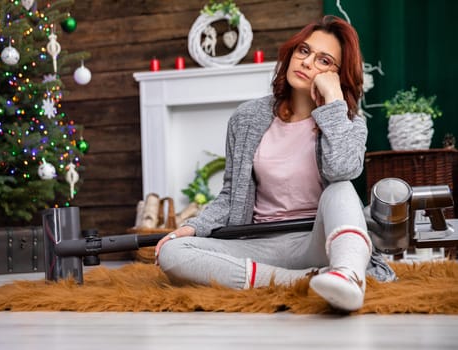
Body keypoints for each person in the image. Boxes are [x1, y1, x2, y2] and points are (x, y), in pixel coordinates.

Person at [155, 15, 396, 312]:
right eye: (304, 51)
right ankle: (303, 281)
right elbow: (231, 195)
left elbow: (342, 169)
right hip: (258, 243)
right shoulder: (246, 118)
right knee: (172, 252)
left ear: (337, 74)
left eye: (324, 61)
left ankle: (348, 274)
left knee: (341, 188)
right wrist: (193, 227)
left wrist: (333, 101)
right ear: (292, 53)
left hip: (317, 241)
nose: (307, 63)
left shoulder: (348, 123)